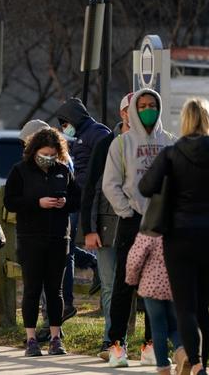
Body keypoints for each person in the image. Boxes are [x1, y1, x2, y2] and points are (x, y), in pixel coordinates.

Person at [139, 97, 209, 375]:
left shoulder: (172, 153)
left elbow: (145, 186)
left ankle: (196, 362)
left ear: (185, 120)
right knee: (202, 305)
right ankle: (203, 364)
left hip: (179, 235)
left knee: (184, 305)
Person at [101, 88, 175, 367]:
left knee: (156, 288)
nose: (147, 109)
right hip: (132, 223)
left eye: (152, 105)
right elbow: (110, 183)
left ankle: (152, 344)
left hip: (161, 224)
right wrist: (127, 211)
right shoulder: (121, 144)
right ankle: (116, 344)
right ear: (133, 109)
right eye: (142, 105)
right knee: (124, 285)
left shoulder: (169, 143)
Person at [4, 128, 80, 357]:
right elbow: (11, 201)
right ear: (34, 150)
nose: (48, 157)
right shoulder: (20, 171)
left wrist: (64, 202)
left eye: (52, 153)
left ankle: (56, 338)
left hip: (58, 237)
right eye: (44, 153)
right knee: (32, 289)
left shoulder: (63, 170)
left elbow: (76, 199)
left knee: (55, 291)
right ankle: (31, 339)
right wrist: (37, 202)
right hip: (30, 238)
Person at [81, 92, 131, 359]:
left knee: (142, 288)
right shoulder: (106, 144)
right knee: (111, 285)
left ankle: (149, 342)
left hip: (139, 226)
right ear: (123, 113)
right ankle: (111, 341)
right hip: (108, 227)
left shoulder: (155, 145)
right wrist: (89, 229)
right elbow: (91, 189)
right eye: (133, 109)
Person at [55, 98, 110, 318]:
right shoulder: (81, 137)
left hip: (90, 199)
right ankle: (91, 267)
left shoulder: (96, 133)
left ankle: (66, 302)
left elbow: (102, 165)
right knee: (65, 245)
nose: (63, 129)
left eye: (65, 123)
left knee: (65, 246)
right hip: (80, 197)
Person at [126, 230, 186, 375]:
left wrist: (131, 279)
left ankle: (163, 368)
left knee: (158, 328)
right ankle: (183, 352)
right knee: (174, 326)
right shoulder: (180, 229)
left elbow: (135, 258)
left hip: (152, 286)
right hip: (175, 285)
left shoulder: (150, 231)